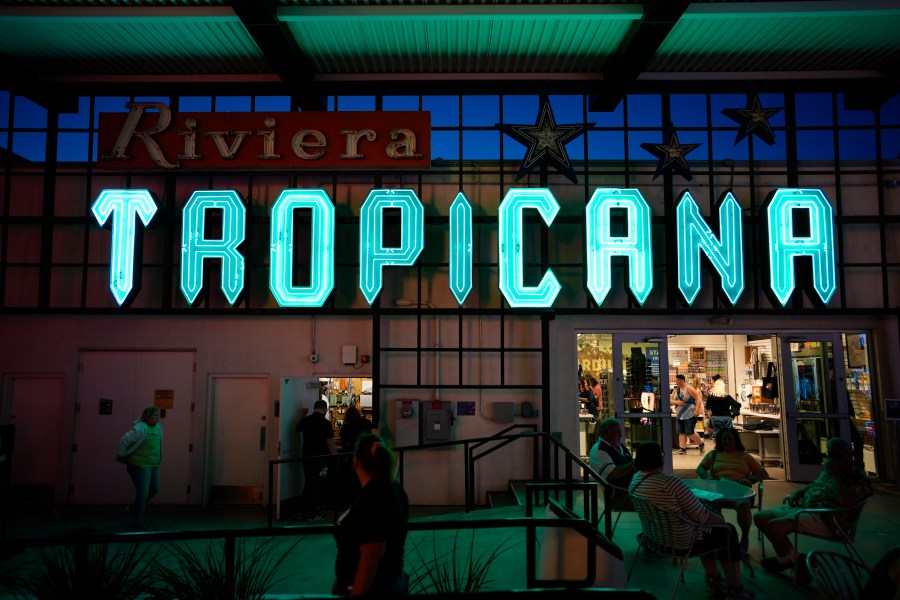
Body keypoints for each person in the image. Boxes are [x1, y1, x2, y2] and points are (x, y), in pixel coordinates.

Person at [629, 441, 753, 600]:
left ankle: (714, 580)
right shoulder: (671, 482)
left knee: (708, 531)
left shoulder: (636, 480)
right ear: (659, 458)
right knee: (726, 531)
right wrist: (721, 522)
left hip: (656, 539)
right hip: (682, 542)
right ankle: (735, 589)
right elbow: (702, 516)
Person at [755, 437, 873, 585]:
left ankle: (789, 561)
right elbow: (818, 484)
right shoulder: (830, 470)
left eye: (837, 456)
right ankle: (794, 560)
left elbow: (846, 500)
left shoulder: (857, 478)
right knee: (760, 517)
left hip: (826, 518)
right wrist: (801, 491)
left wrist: (835, 475)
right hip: (803, 508)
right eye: (830, 455)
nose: (832, 460)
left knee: (775, 527)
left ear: (849, 455)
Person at [332, 433, 409, 596]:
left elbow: (371, 555)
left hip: (375, 588)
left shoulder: (372, 498)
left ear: (356, 462)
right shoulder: (394, 490)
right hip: (393, 578)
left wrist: (357, 593)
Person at [696, 428, 768, 555]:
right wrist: (709, 478)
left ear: (735, 440)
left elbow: (763, 473)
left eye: (729, 439)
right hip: (719, 492)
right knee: (710, 507)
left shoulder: (745, 456)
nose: (727, 442)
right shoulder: (713, 455)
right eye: (724, 439)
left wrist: (751, 480)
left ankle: (744, 539)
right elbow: (700, 469)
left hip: (740, 493)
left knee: (744, 506)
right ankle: (722, 535)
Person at [116, 406, 162, 531]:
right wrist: (120, 454)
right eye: (155, 416)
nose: (158, 418)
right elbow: (124, 440)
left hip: (153, 465)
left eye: (158, 415)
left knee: (155, 488)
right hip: (140, 466)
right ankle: (138, 520)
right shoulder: (140, 428)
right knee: (143, 492)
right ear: (147, 416)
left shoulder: (158, 427)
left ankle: (136, 509)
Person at [296, 399, 337, 521]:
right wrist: (335, 458)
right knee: (318, 485)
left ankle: (301, 511)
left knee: (308, 483)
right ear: (324, 409)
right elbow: (330, 443)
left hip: (307, 457)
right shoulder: (326, 423)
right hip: (321, 459)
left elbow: (297, 428)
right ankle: (312, 513)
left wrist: (302, 415)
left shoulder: (306, 420)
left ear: (315, 408)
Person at [589, 418, 635, 489]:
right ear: (605, 434)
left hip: (632, 490)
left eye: (620, 432)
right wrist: (633, 463)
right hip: (620, 494)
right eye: (617, 432)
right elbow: (612, 474)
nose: (620, 435)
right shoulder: (599, 450)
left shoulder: (620, 446)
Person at [671, 374, 704, 454]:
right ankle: (682, 449)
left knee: (690, 432)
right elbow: (670, 401)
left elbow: (698, 398)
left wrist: (696, 410)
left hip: (690, 414)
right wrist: (677, 402)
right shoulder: (676, 390)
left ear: (682, 380)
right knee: (681, 432)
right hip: (679, 414)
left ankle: (701, 444)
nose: (676, 381)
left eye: (677, 380)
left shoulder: (688, 388)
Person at [705, 375, 743, 440]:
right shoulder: (727, 397)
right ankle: (728, 448)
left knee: (717, 435)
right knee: (729, 435)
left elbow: (707, 407)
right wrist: (732, 411)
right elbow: (738, 404)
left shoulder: (711, 397)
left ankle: (719, 448)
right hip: (726, 418)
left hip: (715, 417)